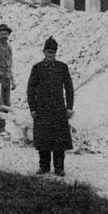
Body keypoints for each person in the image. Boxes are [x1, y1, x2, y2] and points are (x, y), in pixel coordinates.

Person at [26, 37, 74, 175]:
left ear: (56, 53)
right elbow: (31, 89)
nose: (50, 55)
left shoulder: (62, 67)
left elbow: (69, 88)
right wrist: (33, 108)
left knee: (59, 139)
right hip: (42, 108)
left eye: (52, 52)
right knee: (43, 138)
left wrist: (69, 107)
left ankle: (59, 168)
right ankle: (44, 166)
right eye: (48, 52)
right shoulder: (37, 68)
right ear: (44, 52)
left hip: (59, 108)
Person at [0, 24, 14, 134]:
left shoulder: (10, 48)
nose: (4, 36)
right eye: (2, 34)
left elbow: (11, 64)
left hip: (7, 79)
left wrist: (13, 80)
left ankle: (2, 126)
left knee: (7, 104)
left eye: (6, 34)